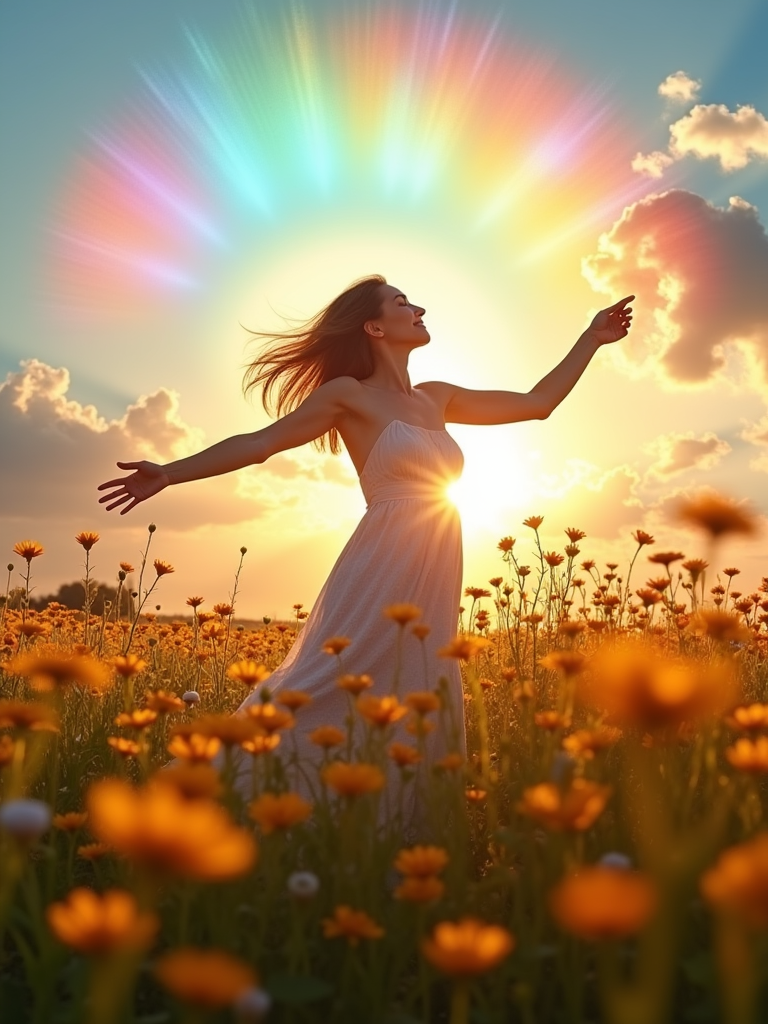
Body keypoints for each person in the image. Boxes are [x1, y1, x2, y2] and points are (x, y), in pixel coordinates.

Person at [98, 275, 633, 814]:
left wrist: (591, 338)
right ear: (374, 326)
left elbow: (538, 403)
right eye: (403, 302)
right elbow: (260, 444)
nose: (419, 307)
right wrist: (168, 472)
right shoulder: (347, 396)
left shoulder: (437, 398)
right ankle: (212, 796)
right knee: (331, 677)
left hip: (436, 557)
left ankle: (389, 828)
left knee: (417, 683)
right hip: (382, 557)